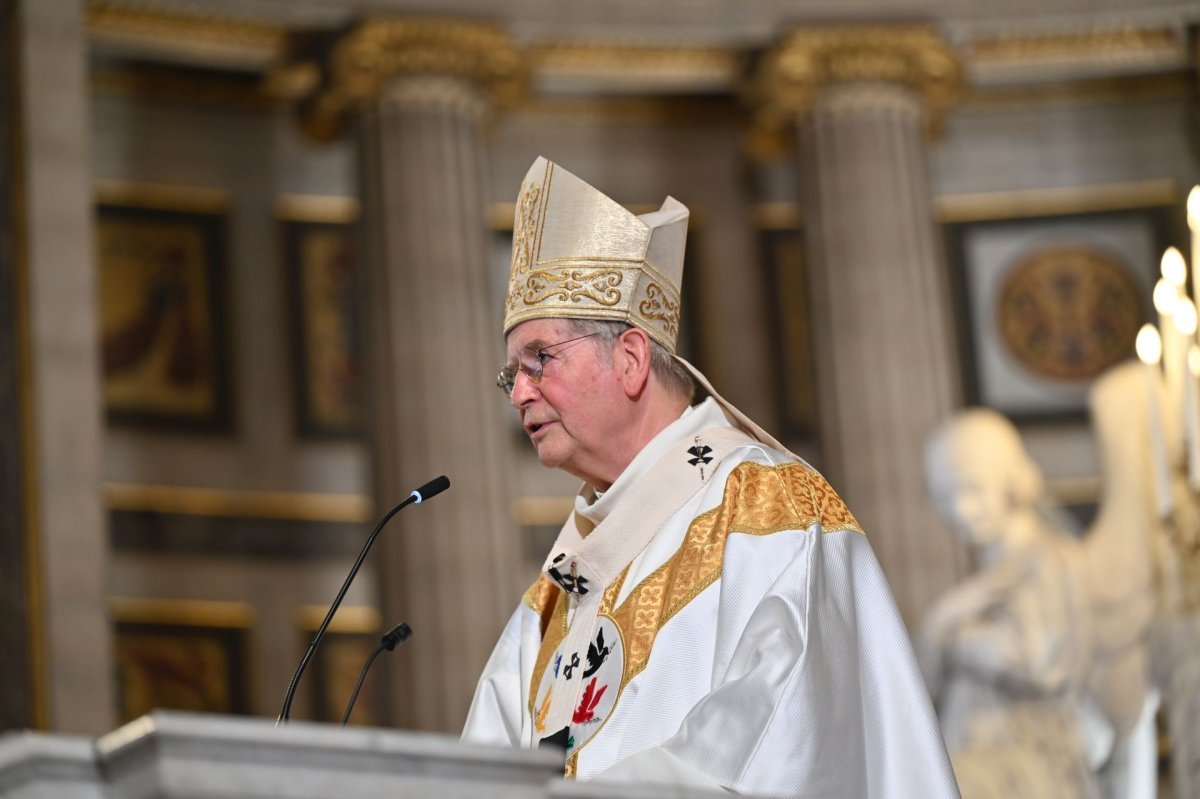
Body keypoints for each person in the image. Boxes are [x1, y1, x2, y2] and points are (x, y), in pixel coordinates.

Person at [462, 156, 960, 797]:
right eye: (512, 373)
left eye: (539, 360)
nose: (518, 394)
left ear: (632, 360)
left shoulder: (771, 508)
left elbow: (782, 734)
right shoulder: (556, 595)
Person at [919, 409, 1097, 799]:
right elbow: (923, 682)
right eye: (946, 497)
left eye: (972, 490)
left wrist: (954, 634)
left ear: (1009, 481)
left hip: (1029, 759)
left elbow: (1042, 663)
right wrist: (939, 624)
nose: (960, 510)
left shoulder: (1050, 559)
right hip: (980, 752)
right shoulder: (988, 574)